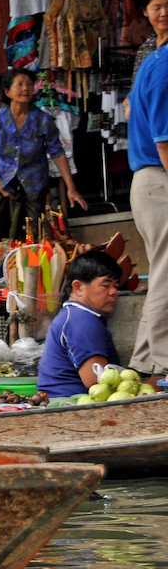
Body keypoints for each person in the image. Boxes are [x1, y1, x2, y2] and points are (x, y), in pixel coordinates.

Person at [0, 68, 88, 241]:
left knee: (31, 237)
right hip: (3, 185)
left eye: (29, 84)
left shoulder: (42, 119)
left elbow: (57, 153)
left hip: (34, 186)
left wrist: (71, 188)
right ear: (7, 91)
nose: (25, 88)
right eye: (19, 85)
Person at [125, 38, 168, 376]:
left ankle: (143, 361)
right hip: (160, 177)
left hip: (152, 179)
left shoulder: (154, 61)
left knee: (162, 273)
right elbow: (164, 137)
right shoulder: (163, 64)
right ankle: (165, 361)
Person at [38, 251, 124, 397]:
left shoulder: (74, 315)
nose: (114, 292)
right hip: (70, 406)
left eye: (116, 285)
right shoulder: (81, 320)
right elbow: (97, 381)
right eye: (106, 285)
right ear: (78, 287)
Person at [134, 0, 168, 82]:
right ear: (145, 11)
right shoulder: (145, 49)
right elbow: (137, 90)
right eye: (156, 8)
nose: (164, 13)